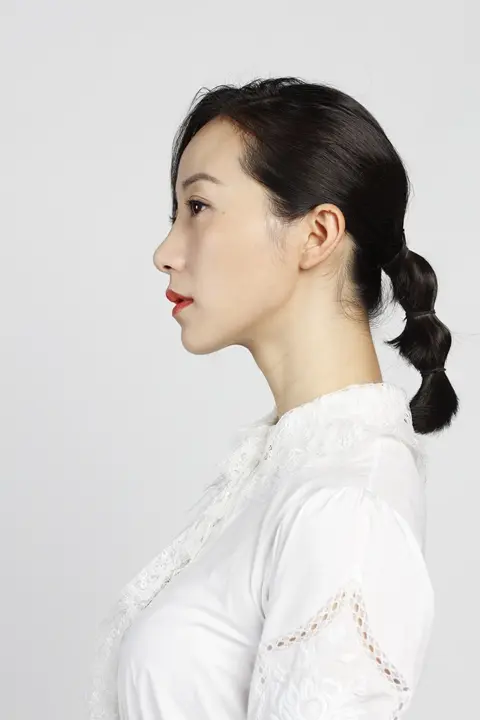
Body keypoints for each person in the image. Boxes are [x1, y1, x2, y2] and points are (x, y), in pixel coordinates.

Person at [88, 77, 459, 720]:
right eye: (176, 213)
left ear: (317, 235)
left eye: (198, 206)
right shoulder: (291, 473)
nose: (165, 252)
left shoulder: (346, 506)